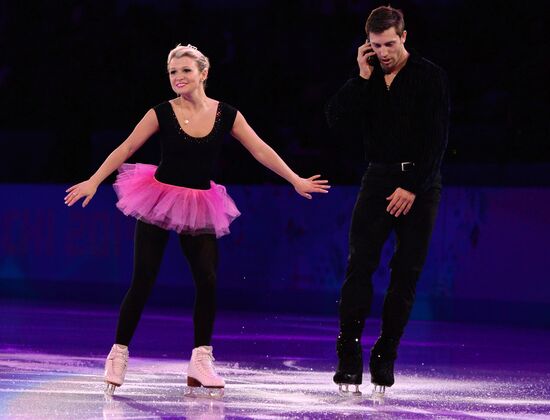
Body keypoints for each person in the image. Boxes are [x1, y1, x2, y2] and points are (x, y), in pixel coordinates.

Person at [64, 43, 330, 396]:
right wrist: (95, 180)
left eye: (186, 70)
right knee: (143, 277)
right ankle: (118, 352)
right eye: (173, 72)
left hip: (201, 202)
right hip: (158, 197)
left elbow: (260, 149)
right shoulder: (161, 112)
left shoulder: (227, 115)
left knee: (207, 279)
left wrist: (294, 178)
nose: (178, 77)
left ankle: (201, 359)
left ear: (203, 73)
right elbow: (127, 148)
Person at [325, 6, 449, 395]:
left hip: (421, 184)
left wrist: (412, 185)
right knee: (359, 267)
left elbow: (437, 139)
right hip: (378, 178)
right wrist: (360, 78)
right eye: (377, 46)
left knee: (406, 273)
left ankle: (386, 354)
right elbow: (336, 122)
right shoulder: (368, 77)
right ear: (367, 44)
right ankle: (348, 355)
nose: (384, 52)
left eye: (390, 44)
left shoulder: (430, 76)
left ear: (404, 37)